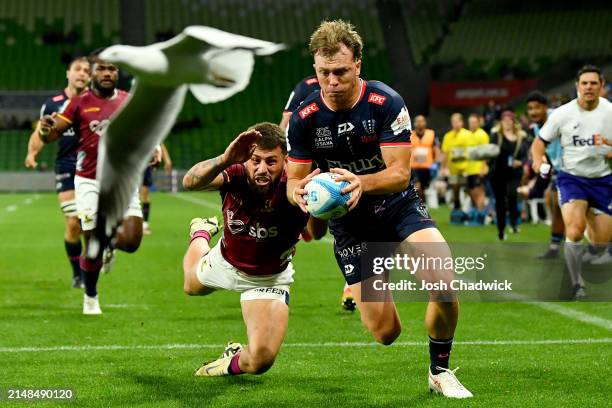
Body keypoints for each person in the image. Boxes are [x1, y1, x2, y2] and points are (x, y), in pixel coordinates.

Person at [286, 20, 472, 398]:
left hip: (397, 208)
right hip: (352, 229)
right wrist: (302, 197)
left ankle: (440, 371)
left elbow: (400, 175)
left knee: (445, 286)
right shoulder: (304, 119)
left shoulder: (385, 102)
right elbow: (293, 182)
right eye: (324, 73)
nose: (332, 81)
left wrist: (359, 183)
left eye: (340, 71)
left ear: (357, 64)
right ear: (315, 70)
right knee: (385, 333)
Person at [181, 123, 326, 376]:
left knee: (260, 361)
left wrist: (320, 203)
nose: (261, 169)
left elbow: (318, 233)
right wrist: (224, 159)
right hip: (225, 261)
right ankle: (201, 232)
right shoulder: (235, 172)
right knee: (190, 287)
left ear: (285, 161)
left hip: (268, 278)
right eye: (255, 160)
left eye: (271, 162)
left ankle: (228, 362)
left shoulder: (299, 183)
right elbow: (190, 182)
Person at [38, 52, 144, 314]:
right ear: (93, 73)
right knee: (91, 246)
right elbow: (53, 134)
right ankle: (91, 296)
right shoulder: (78, 103)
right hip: (88, 182)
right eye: (102, 69)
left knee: (131, 241)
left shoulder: (127, 101)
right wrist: (44, 129)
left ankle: (110, 242)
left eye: (112, 69)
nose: (108, 73)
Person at [531, 65, 612, 299]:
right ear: (577, 86)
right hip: (571, 178)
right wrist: (538, 162)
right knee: (574, 230)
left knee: (600, 243)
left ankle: (588, 229)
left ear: (602, 87)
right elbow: (539, 142)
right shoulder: (563, 114)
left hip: (603, 179)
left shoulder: (609, 112)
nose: (588, 87)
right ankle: (577, 284)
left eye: (593, 83)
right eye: (584, 83)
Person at [280, 76, 356, 311]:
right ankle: (276, 278)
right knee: (316, 231)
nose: (332, 78)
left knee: (359, 220)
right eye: (326, 70)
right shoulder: (305, 86)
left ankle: (352, 284)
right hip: (309, 163)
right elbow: (286, 123)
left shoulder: (352, 88)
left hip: (346, 161)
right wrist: (285, 158)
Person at [24, 56, 91, 289]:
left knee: (89, 222)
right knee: (73, 222)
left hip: (93, 166)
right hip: (66, 165)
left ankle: (96, 256)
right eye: (77, 69)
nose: (82, 73)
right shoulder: (53, 104)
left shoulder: (97, 102)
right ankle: (77, 273)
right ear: (68, 73)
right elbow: (41, 131)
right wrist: (32, 153)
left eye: (86, 70)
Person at [520, 91, 565, 258]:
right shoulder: (537, 126)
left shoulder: (558, 118)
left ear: (545, 107)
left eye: (537, 108)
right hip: (559, 170)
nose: (533, 112)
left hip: (575, 170)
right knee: (554, 204)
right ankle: (554, 247)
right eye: (530, 109)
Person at [489, 111, 530, 240]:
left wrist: (521, 162)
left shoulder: (520, 136)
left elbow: (525, 155)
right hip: (498, 172)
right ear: (501, 122)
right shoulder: (496, 135)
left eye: (509, 120)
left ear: (513, 121)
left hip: (514, 173)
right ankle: (501, 230)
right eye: (504, 120)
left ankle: (514, 223)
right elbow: (491, 151)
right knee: (500, 202)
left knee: (512, 196)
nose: (507, 122)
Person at [441, 113, 472, 224]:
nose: (455, 124)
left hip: (466, 168)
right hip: (453, 169)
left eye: (457, 121)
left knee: (469, 190)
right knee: (455, 191)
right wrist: (443, 168)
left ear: (461, 122)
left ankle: (469, 212)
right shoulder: (448, 136)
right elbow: (445, 153)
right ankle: (457, 212)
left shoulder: (468, 134)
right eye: (453, 122)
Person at [141, 143, 173, 235]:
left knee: (145, 194)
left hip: (145, 162)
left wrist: (167, 160)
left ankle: (145, 224)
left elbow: (160, 142)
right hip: (132, 161)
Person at [465, 113, 489, 225]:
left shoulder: (482, 135)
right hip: (470, 169)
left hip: (479, 169)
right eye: (470, 122)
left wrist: (483, 167)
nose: (472, 124)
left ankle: (481, 216)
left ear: (478, 123)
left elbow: (485, 153)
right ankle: (479, 213)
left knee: (479, 192)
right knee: (472, 192)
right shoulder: (468, 135)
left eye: (474, 122)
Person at [410, 115, 438, 203]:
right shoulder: (410, 135)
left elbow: (436, 149)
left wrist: (436, 163)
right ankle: (421, 203)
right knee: (417, 186)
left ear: (425, 122)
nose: (419, 123)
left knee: (425, 188)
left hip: (427, 166)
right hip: (414, 166)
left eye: (421, 121)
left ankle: (424, 204)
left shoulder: (431, 134)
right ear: (414, 123)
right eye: (417, 121)